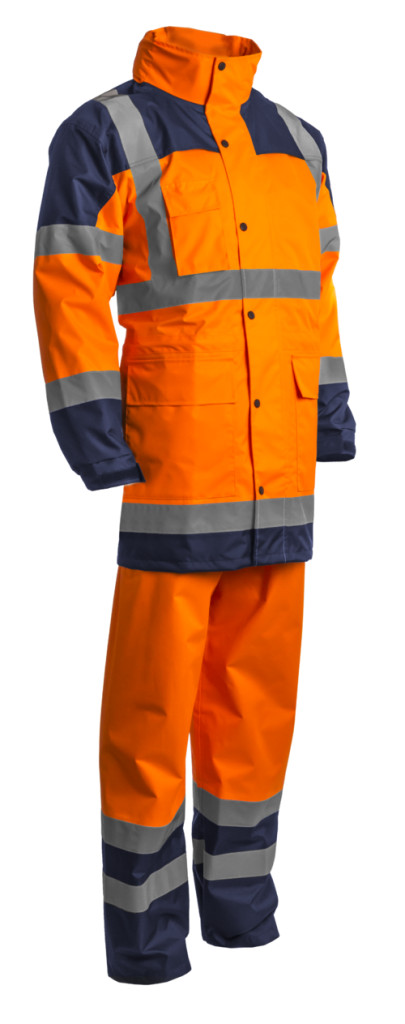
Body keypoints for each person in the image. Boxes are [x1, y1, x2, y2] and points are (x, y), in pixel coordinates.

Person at [33, 24, 357, 986]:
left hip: (280, 464)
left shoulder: (297, 138)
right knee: (151, 708)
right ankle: (145, 940)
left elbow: (314, 292)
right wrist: (94, 432)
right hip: (177, 463)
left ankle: (241, 913)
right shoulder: (106, 131)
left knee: (258, 705)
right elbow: (68, 285)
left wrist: (328, 411)